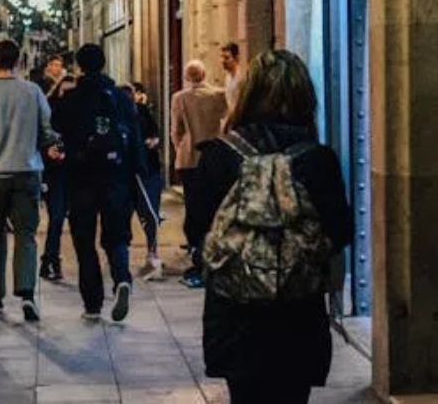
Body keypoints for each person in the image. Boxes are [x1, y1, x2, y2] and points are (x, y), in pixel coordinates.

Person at [196, 49, 353, 404]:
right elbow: (340, 231)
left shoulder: (220, 154)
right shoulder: (317, 159)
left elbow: (198, 229)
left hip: (235, 313)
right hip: (297, 314)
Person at [0, 38, 61, 322]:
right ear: (19, 61)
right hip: (27, 172)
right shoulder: (32, 91)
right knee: (27, 235)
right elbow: (48, 128)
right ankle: (27, 294)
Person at [55, 44, 146, 322]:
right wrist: (138, 173)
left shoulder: (72, 98)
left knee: (84, 242)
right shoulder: (120, 97)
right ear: (104, 64)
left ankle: (92, 304)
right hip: (116, 177)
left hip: (82, 178)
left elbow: (57, 129)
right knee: (116, 236)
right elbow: (135, 137)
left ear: (80, 66)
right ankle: (121, 279)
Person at [171, 59, 227, 287]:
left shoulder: (180, 98)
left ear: (187, 77)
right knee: (214, 203)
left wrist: (179, 148)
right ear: (205, 74)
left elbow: (177, 129)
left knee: (193, 205)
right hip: (216, 156)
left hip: (190, 157)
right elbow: (227, 122)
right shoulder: (219, 95)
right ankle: (213, 246)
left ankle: (197, 247)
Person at [37, 52, 74, 281]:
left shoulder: (75, 111)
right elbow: (38, 133)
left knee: (63, 216)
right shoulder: (47, 106)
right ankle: (51, 259)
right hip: (54, 171)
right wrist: (46, 151)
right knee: (57, 216)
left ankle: (51, 259)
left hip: (72, 170)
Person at [125, 82, 164, 280]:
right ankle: (124, 256)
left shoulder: (141, 112)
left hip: (147, 169)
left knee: (150, 213)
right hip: (130, 172)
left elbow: (155, 136)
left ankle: (152, 253)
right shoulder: (120, 115)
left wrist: (150, 143)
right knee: (128, 214)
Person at [220, 42, 243, 118]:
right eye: (222, 57)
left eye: (226, 58)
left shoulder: (242, 78)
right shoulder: (228, 77)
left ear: (236, 58)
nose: (223, 61)